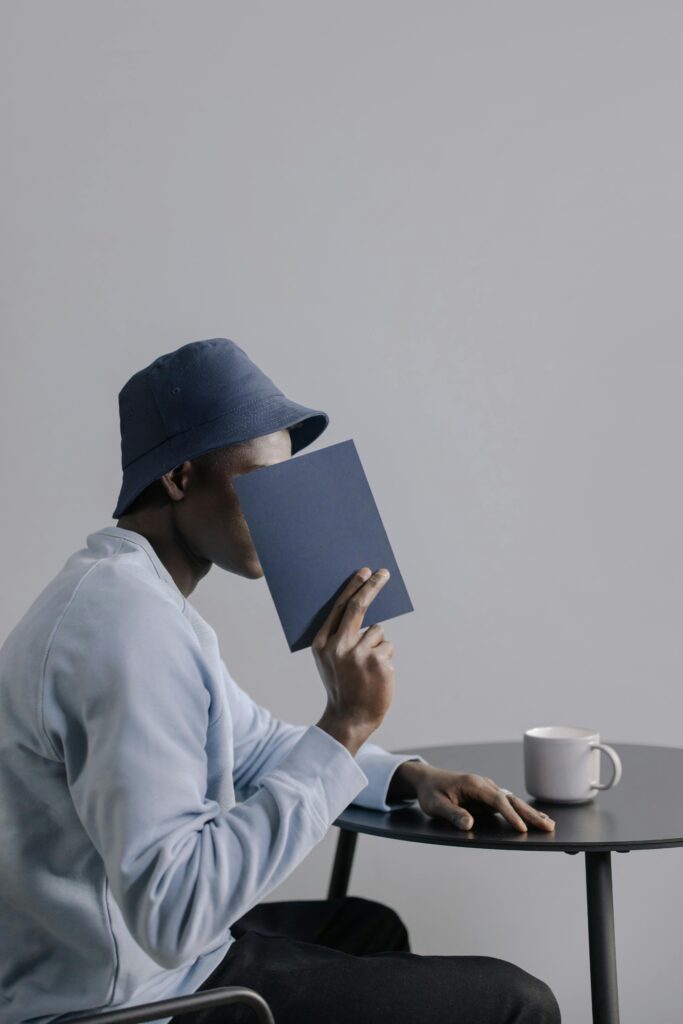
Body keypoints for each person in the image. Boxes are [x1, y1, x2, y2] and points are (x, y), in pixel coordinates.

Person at [0, 338, 561, 1024]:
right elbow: (174, 914)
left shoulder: (130, 597)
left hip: (119, 966)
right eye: (262, 480)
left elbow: (255, 742)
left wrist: (408, 775)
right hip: (135, 1004)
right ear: (180, 479)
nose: (283, 511)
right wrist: (345, 723)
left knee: (367, 927)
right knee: (519, 1003)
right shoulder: (127, 631)